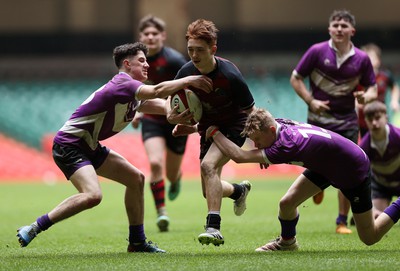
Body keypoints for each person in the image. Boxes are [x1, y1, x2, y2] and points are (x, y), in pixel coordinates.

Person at [16, 42, 213, 252]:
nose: (147, 65)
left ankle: (137, 242)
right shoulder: (123, 83)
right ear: (127, 64)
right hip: (70, 145)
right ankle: (35, 227)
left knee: (136, 179)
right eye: (142, 61)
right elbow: (156, 91)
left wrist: (180, 111)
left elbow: (164, 105)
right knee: (93, 195)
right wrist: (190, 80)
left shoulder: (131, 93)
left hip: (89, 146)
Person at [206, 107, 400, 252]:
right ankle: (288, 242)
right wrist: (263, 151)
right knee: (287, 203)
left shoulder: (285, 145)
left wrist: (215, 133)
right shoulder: (280, 124)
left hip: (352, 168)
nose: (256, 145)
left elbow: (240, 157)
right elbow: (263, 132)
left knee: (369, 236)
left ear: (272, 131)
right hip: (327, 164)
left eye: (257, 140)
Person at [290, 9, 377, 234]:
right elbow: (295, 78)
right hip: (318, 122)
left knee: (348, 170)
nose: (339, 29)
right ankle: (319, 181)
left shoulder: (362, 59)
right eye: (335, 25)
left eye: (343, 25)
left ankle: (340, 221)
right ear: (329, 29)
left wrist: (365, 97)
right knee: (321, 168)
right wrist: (311, 100)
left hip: (347, 123)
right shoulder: (316, 51)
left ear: (352, 31)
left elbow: (373, 89)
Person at [172, 19, 255, 246]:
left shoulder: (230, 75)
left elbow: (251, 112)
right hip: (208, 131)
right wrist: (178, 120)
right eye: (190, 50)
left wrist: (261, 141)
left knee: (208, 166)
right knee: (207, 190)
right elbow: (172, 105)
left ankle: (213, 228)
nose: (194, 56)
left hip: (234, 127)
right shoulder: (186, 72)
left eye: (200, 50)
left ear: (213, 49)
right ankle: (238, 191)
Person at [131, 15, 188, 232]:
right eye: (147, 34)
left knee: (171, 173)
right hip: (152, 120)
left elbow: (188, 88)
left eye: (155, 33)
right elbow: (132, 91)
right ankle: (161, 211)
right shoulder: (135, 63)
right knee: (155, 164)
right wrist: (136, 113)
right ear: (141, 37)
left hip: (177, 121)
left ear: (163, 36)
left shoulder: (174, 61)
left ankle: (176, 179)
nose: (151, 37)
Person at [359, 101, 400, 218]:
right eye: (370, 120)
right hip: (382, 186)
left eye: (377, 118)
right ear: (365, 121)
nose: (374, 123)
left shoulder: (397, 136)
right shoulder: (364, 146)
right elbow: (360, 176)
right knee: (378, 217)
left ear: (386, 117)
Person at [357, 43, 400, 137]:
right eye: (366, 57)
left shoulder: (385, 76)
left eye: (371, 57)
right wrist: (357, 103)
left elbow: (394, 87)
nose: (368, 60)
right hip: (363, 121)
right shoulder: (357, 78)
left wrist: (394, 101)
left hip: (381, 117)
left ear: (378, 60)